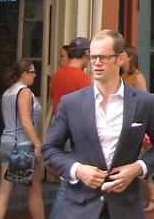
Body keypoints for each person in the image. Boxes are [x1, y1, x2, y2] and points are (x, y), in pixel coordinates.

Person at [43, 29, 154, 218]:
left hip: (125, 206)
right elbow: (49, 149)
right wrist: (78, 170)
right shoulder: (71, 103)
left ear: (120, 58)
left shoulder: (146, 102)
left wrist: (138, 167)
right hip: (80, 207)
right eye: (93, 57)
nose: (96, 63)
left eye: (103, 57)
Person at [0, 58, 44, 219]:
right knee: (34, 191)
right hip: (22, 146)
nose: (35, 76)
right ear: (24, 74)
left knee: (4, 192)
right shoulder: (25, 92)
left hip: (6, 144)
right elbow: (26, 121)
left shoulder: (7, 93)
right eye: (33, 72)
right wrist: (37, 144)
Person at [48, 35, 92, 219]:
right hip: (75, 133)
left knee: (68, 180)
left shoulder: (58, 74)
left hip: (60, 129)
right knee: (69, 182)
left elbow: (54, 102)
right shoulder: (83, 78)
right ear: (86, 54)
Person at [122, 45, 154, 212]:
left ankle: (153, 193)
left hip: (134, 125)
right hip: (120, 124)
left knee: (137, 163)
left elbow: (144, 102)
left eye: (121, 54)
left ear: (130, 57)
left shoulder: (137, 77)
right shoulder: (118, 76)